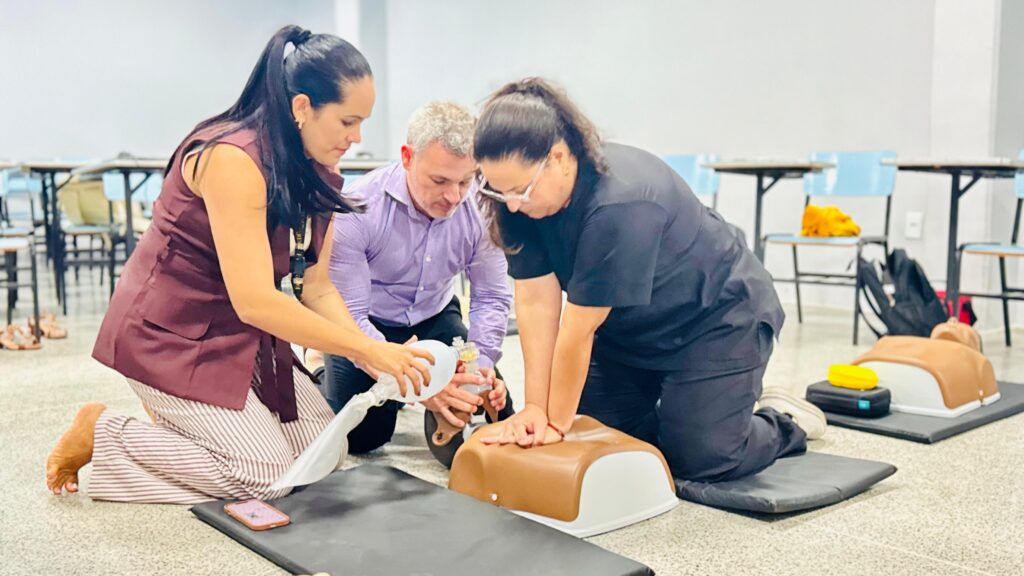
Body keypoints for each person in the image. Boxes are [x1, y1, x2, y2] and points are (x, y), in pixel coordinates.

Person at [44, 26, 433, 503]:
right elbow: (254, 300)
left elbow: (317, 288)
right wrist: (367, 348)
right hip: (168, 336)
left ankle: (187, 430)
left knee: (325, 456)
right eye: (348, 121)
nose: (357, 138)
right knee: (265, 477)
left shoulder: (317, 167)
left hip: (243, 336)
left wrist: (368, 352)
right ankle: (106, 433)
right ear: (302, 108)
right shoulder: (232, 159)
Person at [473, 78, 827, 482]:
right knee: (603, 439)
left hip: (715, 320)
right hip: (628, 333)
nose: (512, 204)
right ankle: (692, 411)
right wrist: (536, 408)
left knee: (701, 458)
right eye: (501, 192)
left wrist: (554, 424)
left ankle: (780, 420)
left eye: (521, 190)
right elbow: (537, 304)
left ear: (558, 157)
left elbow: (577, 330)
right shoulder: (517, 203)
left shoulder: (619, 201)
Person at [321, 101, 513, 467]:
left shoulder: (482, 207)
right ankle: (319, 366)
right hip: (367, 324)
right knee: (364, 436)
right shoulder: (357, 208)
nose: (454, 197)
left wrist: (480, 364)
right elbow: (350, 314)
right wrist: (418, 385)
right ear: (408, 157)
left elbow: (490, 296)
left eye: (465, 180)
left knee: (493, 410)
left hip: (434, 314)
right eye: (439, 181)